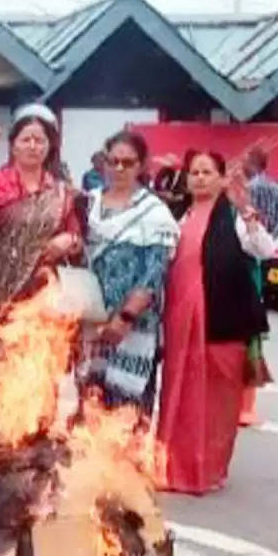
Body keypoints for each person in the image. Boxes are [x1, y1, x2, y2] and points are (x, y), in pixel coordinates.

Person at [157, 151, 274, 495]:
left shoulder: (234, 218)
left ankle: (208, 471)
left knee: (219, 400)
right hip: (180, 318)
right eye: (194, 172)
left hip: (222, 320)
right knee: (178, 392)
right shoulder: (177, 217)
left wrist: (249, 217)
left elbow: (264, 250)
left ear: (222, 178)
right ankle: (173, 468)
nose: (200, 178)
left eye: (208, 172)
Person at [0, 104, 81, 338]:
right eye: (26, 140)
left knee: (38, 363)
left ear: (50, 146)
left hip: (43, 294)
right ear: (13, 145)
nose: (33, 146)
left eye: (40, 140)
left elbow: (77, 237)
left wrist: (69, 240)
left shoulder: (62, 192)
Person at [84, 131, 180, 414]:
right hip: (92, 323)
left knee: (126, 413)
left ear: (141, 165)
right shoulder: (88, 204)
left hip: (132, 325)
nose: (120, 169)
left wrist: (125, 318)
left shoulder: (153, 212)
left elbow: (154, 272)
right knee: (90, 406)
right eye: (114, 162)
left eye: (128, 162)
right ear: (104, 163)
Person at [244, 145, 278, 237]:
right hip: (269, 242)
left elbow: (248, 216)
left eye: (245, 162)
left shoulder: (250, 188)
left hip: (253, 241)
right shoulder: (276, 187)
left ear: (253, 164)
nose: (243, 167)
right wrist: (270, 239)